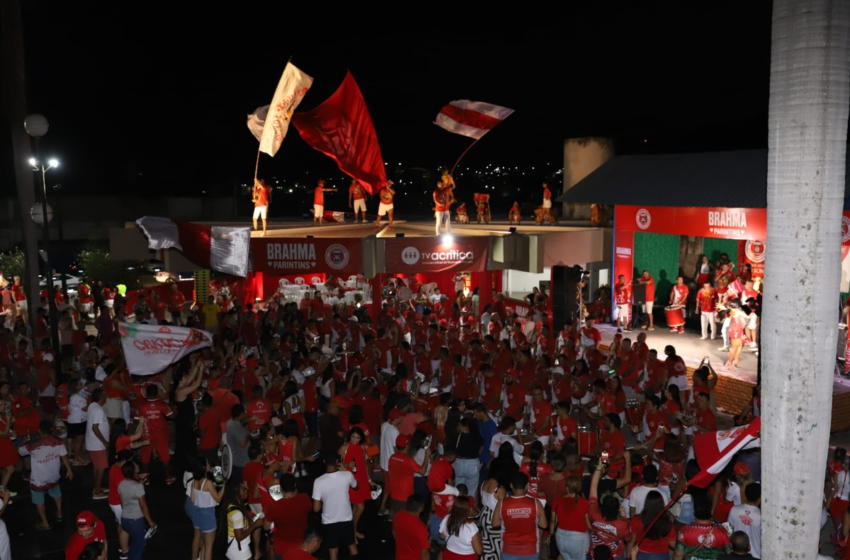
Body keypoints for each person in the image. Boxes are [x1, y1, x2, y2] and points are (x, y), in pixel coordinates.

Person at [19, 420, 73, 530]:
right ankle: (59, 513)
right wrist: (69, 469)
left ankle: (45, 523)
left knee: (39, 501)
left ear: (39, 431)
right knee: (56, 493)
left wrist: (24, 441)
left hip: (39, 480)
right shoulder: (58, 442)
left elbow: (20, 451)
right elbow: (64, 456)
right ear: (51, 430)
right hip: (54, 476)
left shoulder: (33, 446)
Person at [312, 450, 359, 560]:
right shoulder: (347, 475)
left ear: (324, 461)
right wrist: (345, 470)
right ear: (338, 461)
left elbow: (316, 508)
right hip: (346, 519)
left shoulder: (318, 481)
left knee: (333, 552)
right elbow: (357, 486)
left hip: (329, 522)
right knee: (352, 547)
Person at [491, 472, 547, 560]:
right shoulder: (536, 503)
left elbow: (495, 524)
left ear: (511, 485)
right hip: (530, 550)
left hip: (508, 550)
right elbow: (544, 525)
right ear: (527, 486)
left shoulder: (502, 503)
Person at [588, 460, 631, 560]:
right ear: (618, 511)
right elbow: (628, 539)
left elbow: (593, 487)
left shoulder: (594, 514)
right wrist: (624, 517)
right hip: (616, 555)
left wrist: (599, 466)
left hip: (596, 553)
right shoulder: (622, 524)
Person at [263, 473, 313, 559]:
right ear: (295, 485)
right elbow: (309, 509)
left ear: (281, 488)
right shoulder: (304, 499)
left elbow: (266, 527)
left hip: (281, 548)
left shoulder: (274, 506)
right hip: (301, 546)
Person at [186, 457, 225, 560]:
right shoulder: (207, 483)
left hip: (198, 514)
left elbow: (193, 500)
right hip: (208, 515)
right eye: (207, 464)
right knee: (208, 547)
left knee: (203, 544)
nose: (209, 465)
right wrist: (224, 485)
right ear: (203, 467)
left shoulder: (195, 481)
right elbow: (218, 499)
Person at [118, 460, 157, 560]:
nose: (136, 464)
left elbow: (123, 502)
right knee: (139, 545)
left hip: (125, 518)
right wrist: (150, 521)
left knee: (134, 543)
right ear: (133, 470)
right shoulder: (138, 487)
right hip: (136, 521)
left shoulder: (121, 484)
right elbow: (143, 506)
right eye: (135, 465)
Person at [674, 493, 731, 559]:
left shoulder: (684, 531)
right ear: (711, 511)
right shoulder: (722, 531)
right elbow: (728, 552)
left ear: (694, 511)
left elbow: (678, 554)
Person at [138, 384, 175, 484]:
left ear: (146, 393)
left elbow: (138, 420)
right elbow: (171, 416)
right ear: (157, 393)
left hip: (147, 434)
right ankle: (168, 477)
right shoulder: (162, 404)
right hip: (161, 434)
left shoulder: (142, 406)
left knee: (145, 457)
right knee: (164, 456)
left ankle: (145, 479)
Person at [222, 481, 264, 560]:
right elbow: (239, 536)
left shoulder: (230, 505)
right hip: (239, 550)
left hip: (233, 547)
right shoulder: (237, 514)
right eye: (243, 490)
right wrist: (255, 525)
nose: (246, 491)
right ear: (237, 495)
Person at [551, 475, 590, 560]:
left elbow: (553, 520)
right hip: (578, 538)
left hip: (560, 537)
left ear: (567, 488)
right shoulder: (585, 503)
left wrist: (550, 535)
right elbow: (588, 524)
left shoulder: (558, 500)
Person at [630, 490, 676, 560]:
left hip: (641, 554)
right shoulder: (667, 523)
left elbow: (632, 540)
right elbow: (673, 544)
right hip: (661, 556)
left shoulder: (636, 520)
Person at [440, 495, 483, 560]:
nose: (475, 508)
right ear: (467, 511)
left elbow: (442, 536)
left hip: (449, 555)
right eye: (473, 507)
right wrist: (480, 539)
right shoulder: (471, 528)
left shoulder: (447, 518)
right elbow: (479, 551)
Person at [85, 388, 110, 499]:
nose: (106, 397)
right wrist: (105, 442)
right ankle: (97, 492)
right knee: (102, 467)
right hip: (97, 444)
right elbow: (95, 428)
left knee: (96, 466)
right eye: (105, 394)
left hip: (92, 443)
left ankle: (97, 487)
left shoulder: (92, 406)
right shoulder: (98, 410)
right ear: (101, 397)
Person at [727, 483, 761, 559]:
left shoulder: (734, 510)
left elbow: (729, 532)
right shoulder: (762, 516)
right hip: (756, 556)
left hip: (736, 554)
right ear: (760, 499)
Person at [392, 494, 430, 560]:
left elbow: (394, 532)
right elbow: (424, 553)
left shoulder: (398, 515)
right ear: (421, 508)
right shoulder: (421, 528)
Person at [227, 404, 250, 484]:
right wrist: (249, 435)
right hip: (240, 461)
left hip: (236, 459)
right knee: (240, 483)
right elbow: (242, 443)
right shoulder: (235, 427)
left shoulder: (230, 422)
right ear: (241, 414)